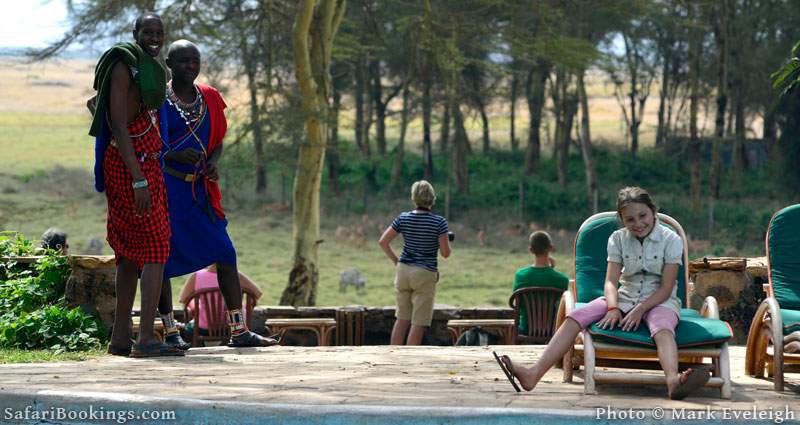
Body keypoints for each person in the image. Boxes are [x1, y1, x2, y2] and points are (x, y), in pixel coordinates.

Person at [494, 187, 711, 400]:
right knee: (574, 318)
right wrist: (613, 307)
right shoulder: (617, 239)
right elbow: (610, 281)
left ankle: (673, 381)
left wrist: (641, 309)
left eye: (643, 215)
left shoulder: (671, 239)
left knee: (662, 327)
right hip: (624, 295)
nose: (638, 223)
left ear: (653, 211)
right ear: (622, 219)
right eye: (630, 219)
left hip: (660, 300)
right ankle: (533, 374)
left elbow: (666, 287)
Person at [155, 40, 277, 348]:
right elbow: (146, 145)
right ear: (169, 64)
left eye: (195, 61)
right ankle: (170, 331)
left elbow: (218, 140)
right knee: (162, 260)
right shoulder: (157, 100)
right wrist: (170, 157)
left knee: (225, 252)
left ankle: (239, 330)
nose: (190, 67)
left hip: (200, 191)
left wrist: (212, 162)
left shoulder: (209, 97)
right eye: (183, 61)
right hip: (168, 190)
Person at [90, 13, 182, 357]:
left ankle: (119, 339)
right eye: (148, 32)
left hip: (144, 164)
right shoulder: (123, 68)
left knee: (129, 253)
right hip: (133, 168)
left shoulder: (147, 69)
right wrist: (139, 179)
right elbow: (117, 122)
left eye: (159, 33)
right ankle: (144, 338)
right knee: (156, 248)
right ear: (136, 34)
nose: (154, 38)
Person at [379, 180, 451, 345]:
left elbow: (383, 241)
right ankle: (411, 359)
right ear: (432, 199)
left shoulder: (403, 218)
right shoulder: (439, 222)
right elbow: (445, 253)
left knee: (402, 318)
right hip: (424, 273)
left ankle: (393, 354)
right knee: (418, 321)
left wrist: (396, 261)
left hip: (403, 270)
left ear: (414, 198)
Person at [177, 264, 263, 339]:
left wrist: (195, 304)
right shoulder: (235, 275)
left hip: (203, 328)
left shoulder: (196, 276)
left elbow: (182, 299)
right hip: (234, 327)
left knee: (187, 327)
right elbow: (258, 293)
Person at [512, 231, 568, 335]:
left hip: (525, 330)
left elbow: (517, 304)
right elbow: (563, 307)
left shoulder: (520, 276)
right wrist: (552, 269)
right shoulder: (562, 279)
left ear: (531, 250)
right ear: (551, 248)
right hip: (552, 331)